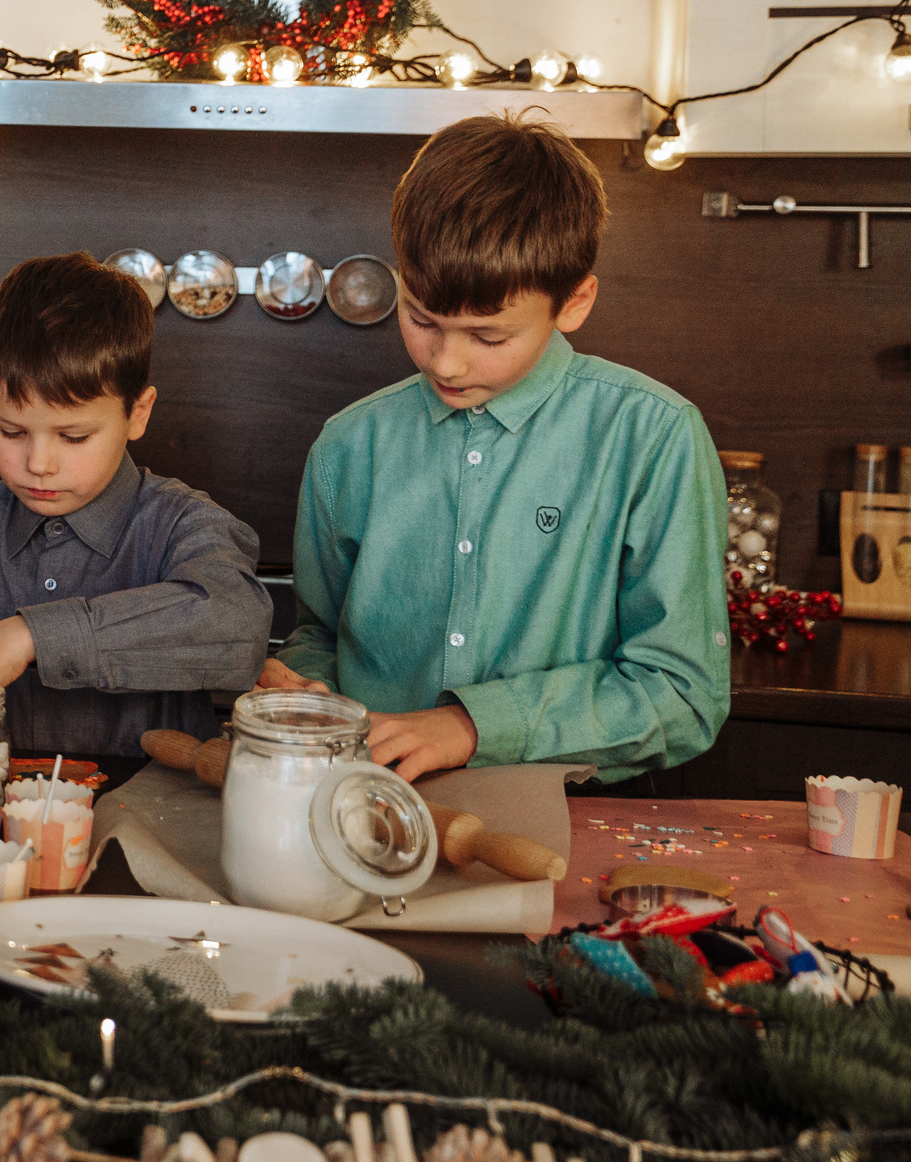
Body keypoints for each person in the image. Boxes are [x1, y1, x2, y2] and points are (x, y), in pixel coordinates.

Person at [266, 113, 730, 784]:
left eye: (488, 336)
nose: (447, 362)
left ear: (574, 302)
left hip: (566, 827)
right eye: (421, 318)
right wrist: (303, 689)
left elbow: (683, 693)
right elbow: (320, 635)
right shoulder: (349, 443)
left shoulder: (653, 437)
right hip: (366, 805)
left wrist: (471, 725)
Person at [0, 253, 272, 770]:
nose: (39, 464)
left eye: (73, 436)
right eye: (11, 431)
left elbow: (237, 623)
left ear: (137, 414)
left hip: (144, 829)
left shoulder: (182, 523)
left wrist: (29, 636)